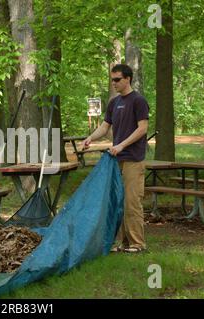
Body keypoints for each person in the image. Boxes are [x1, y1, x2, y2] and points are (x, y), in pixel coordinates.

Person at [81, 64, 149, 253]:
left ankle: (137, 244)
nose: (114, 83)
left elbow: (142, 128)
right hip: (115, 160)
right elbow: (104, 127)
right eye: (112, 80)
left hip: (133, 159)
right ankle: (123, 243)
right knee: (117, 201)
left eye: (117, 79)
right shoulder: (113, 103)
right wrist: (90, 138)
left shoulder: (138, 101)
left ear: (128, 79)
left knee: (132, 202)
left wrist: (121, 145)